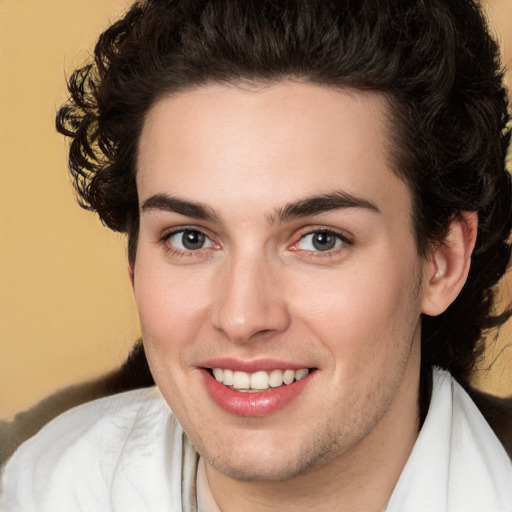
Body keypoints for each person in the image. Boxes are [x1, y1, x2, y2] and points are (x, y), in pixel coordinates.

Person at [1, 0, 512, 510]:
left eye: (320, 240)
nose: (242, 317)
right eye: (190, 238)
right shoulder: (43, 486)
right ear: (134, 260)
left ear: (441, 263)